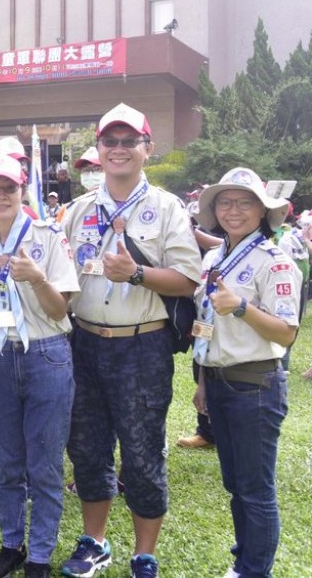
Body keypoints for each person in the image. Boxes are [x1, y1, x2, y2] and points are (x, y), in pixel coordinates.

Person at [59, 103, 202, 578]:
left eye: (129, 141)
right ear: (97, 150)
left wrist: (137, 273)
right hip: (83, 343)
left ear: (147, 148)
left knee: (142, 453)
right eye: (110, 141)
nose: (119, 150)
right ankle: (95, 542)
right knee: (87, 448)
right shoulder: (77, 211)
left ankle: (144, 553)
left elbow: (187, 279)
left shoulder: (166, 209)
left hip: (142, 346)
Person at [0, 154, 79, 578]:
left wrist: (37, 277)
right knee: (7, 463)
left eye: (9, 187)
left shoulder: (49, 239)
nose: (1, 196)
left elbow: (61, 308)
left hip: (45, 354)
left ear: (23, 190)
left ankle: (41, 555)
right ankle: (12, 545)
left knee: (44, 465)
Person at [190, 168, 298, 578]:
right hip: (219, 381)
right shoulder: (215, 256)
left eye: (244, 202)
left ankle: (255, 571)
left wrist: (241, 307)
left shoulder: (276, 262)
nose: (234, 211)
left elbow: (287, 333)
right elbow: (206, 321)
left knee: (256, 490)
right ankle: (244, 562)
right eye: (225, 202)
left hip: (255, 385)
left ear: (262, 211)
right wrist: (202, 381)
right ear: (215, 210)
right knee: (236, 485)